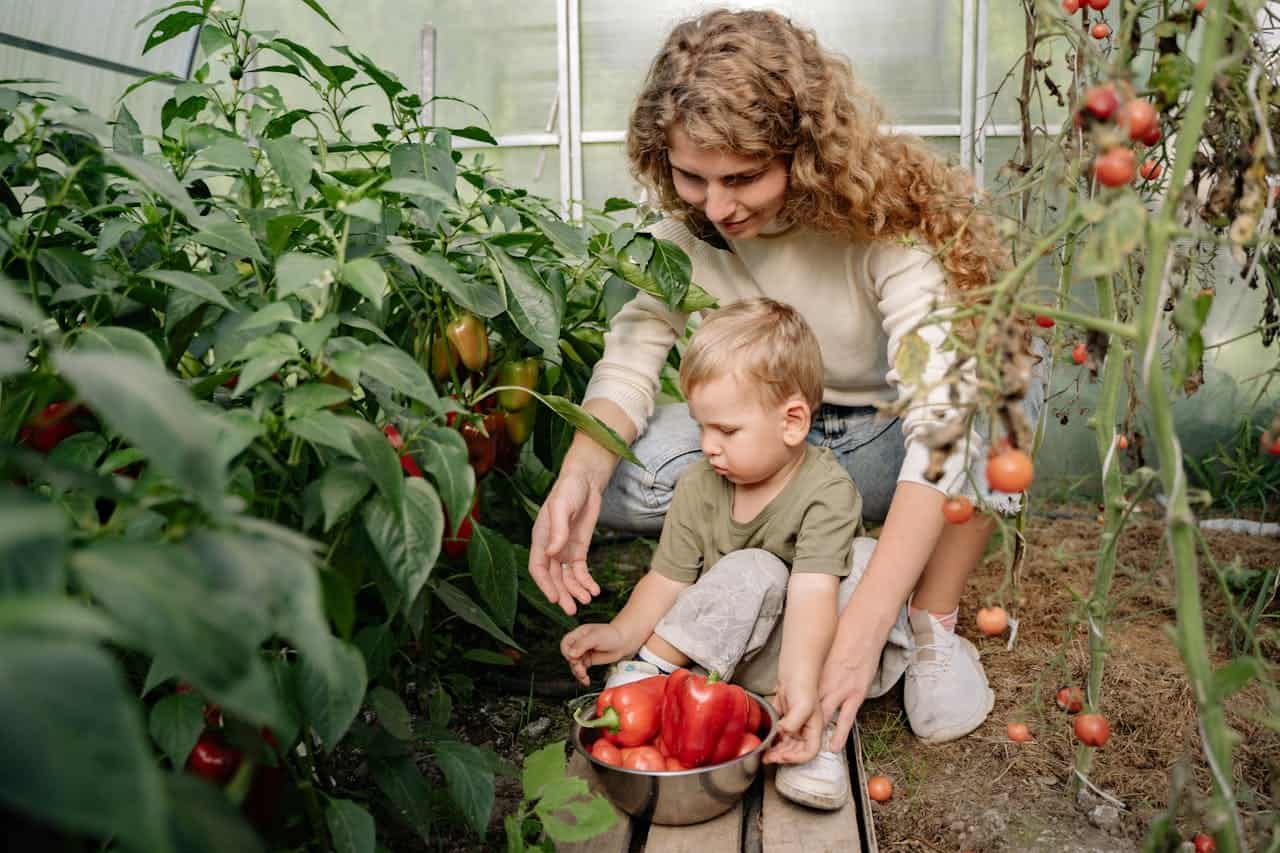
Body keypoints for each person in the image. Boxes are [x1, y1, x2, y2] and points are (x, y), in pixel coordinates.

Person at [531, 6, 1044, 775]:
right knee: (621, 479)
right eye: (691, 176)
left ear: (801, 153)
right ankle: (774, 580)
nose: (715, 206)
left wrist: (864, 626)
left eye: (743, 177)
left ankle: (926, 615)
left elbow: (941, 421)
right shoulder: (691, 221)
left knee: (1001, 390)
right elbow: (634, 353)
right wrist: (578, 473)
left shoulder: (883, 220)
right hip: (780, 436)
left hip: (883, 433)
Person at [561, 297, 866, 810]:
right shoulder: (701, 484)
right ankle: (652, 681)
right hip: (723, 656)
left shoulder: (827, 492)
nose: (707, 445)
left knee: (867, 565)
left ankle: (816, 725)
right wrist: (622, 633)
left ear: (792, 422)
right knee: (754, 569)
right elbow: (667, 578)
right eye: (702, 426)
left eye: (726, 430)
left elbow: (814, 595)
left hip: (805, 655)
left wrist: (802, 684)